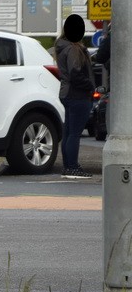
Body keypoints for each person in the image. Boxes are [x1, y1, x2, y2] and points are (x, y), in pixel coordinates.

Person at [55, 14, 95, 179]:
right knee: (74, 133)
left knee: (69, 132)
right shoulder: (73, 49)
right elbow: (75, 72)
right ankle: (72, 166)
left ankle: (68, 165)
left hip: (67, 93)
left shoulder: (62, 47)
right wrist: (90, 86)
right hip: (78, 94)